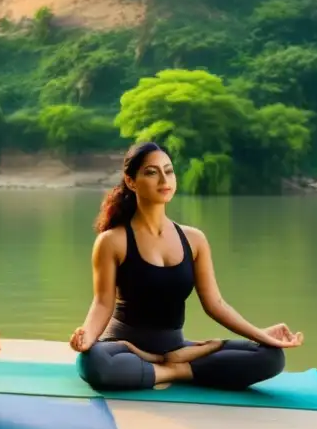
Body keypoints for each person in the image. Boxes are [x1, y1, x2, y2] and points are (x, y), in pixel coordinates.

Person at [70, 141, 304, 392]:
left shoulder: (194, 239)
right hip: (123, 349)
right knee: (94, 363)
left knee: (272, 357)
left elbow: (216, 305)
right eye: (151, 172)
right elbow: (103, 303)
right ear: (131, 181)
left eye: (168, 171)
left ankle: (174, 369)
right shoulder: (112, 241)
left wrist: (260, 335)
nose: (163, 179)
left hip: (178, 349)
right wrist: (87, 337)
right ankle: (172, 368)